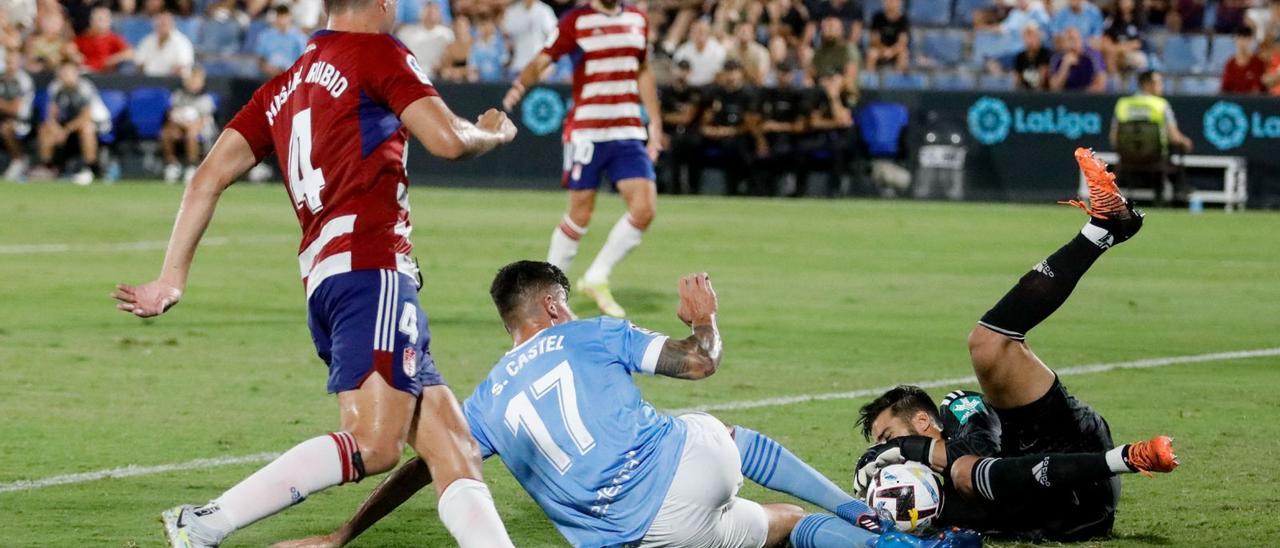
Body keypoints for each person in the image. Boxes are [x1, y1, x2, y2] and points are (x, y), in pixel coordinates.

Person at [110, 0, 520, 544]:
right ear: (380, 4)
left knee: (456, 449)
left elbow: (205, 178)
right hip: (371, 274)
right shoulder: (378, 52)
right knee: (375, 444)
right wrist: (493, 133)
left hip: (330, 283)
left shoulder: (283, 85)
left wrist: (171, 279)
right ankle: (206, 522)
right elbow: (447, 140)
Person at [273, 263, 977, 548]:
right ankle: (871, 521)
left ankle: (856, 529)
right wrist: (705, 319)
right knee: (733, 438)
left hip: (645, 540)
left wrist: (343, 535)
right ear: (554, 304)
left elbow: (425, 470)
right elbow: (700, 364)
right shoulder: (586, 332)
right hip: (684, 475)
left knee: (781, 527)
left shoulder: (480, 402)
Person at [852, 149, 1180, 542]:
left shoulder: (960, 409)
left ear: (922, 423)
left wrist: (906, 448)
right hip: (1064, 515)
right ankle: (1107, 228)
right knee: (965, 475)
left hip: (1075, 456)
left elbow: (978, 454)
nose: (889, 455)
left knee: (987, 345)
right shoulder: (928, 497)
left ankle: (1102, 230)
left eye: (888, 437)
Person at [501, 0, 664, 318]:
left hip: (627, 129)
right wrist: (521, 85)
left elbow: (642, 69)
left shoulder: (637, 20)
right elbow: (545, 58)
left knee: (644, 209)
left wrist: (655, 122)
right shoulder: (577, 21)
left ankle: (597, 276)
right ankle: (548, 294)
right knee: (580, 213)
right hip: (587, 131)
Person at [691, 60, 761, 197]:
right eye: (728, 72)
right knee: (693, 143)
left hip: (739, 134)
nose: (731, 76)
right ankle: (692, 187)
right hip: (717, 133)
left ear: (741, 74)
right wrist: (708, 129)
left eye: (734, 72)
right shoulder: (715, 92)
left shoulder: (748, 94)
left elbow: (750, 123)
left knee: (737, 148)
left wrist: (729, 131)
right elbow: (707, 118)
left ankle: (739, 187)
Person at [33, 60, 105, 185]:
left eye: (68, 72)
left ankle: (91, 167)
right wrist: (56, 129)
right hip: (68, 124)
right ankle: (48, 167)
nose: (65, 75)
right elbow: (51, 115)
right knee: (45, 128)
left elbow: (85, 117)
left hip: (97, 123)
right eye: (62, 72)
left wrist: (65, 131)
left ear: (76, 73)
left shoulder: (85, 88)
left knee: (87, 128)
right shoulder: (55, 87)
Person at [795, 68, 854, 198]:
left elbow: (843, 120)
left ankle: (834, 191)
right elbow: (814, 122)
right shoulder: (817, 98)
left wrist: (833, 98)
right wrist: (834, 122)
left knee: (839, 151)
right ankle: (800, 190)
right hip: (819, 137)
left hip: (840, 139)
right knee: (802, 148)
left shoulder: (845, 98)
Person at [160, 66, 216, 184]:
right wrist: (180, 123)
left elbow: (203, 121)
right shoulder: (178, 95)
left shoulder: (206, 99)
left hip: (201, 129)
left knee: (192, 133)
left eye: (196, 81)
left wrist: (188, 125)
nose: (193, 84)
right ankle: (172, 164)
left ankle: (192, 166)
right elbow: (171, 114)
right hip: (180, 126)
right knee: (166, 132)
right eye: (191, 81)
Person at [657, 59, 702, 194]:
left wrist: (668, 116)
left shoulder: (694, 91)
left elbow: (688, 118)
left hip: (690, 133)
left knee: (694, 146)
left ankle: (694, 189)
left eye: (685, 70)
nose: (682, 73)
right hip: (669, 132)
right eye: (679, 69)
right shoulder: (665, 91)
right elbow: (658, 115)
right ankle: (673, 189)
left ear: (690, 73)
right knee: (672, 148)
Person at [396, 1, 455, 78]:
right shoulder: (406, 33)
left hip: (438, 77)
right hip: (412, 76)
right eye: (428, 12)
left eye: (434, 12)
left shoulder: (447, 35)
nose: (430, 15)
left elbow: (450, 59)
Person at [1, 48, 34, 181]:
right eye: (8, 61)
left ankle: (18, 160)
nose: (10, 65)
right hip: (3, 116)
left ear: (19, 63)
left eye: (13, 62)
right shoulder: (2, 77)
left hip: (22, 120)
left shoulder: (23, 80)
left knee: (6, 128)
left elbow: (15, 109)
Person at [501, 0, 557, 77]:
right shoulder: (512, 11)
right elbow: (506, 36)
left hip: (539, 67)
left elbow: (554, 37)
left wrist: (548, 63)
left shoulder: (545, 10)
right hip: (518, 66)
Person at [134, 11, 195, 77]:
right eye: (159, 24)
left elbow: (183, 65)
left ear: (172, 24)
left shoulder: (182, 42)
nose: (162, 26)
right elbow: (139, 62)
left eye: (165, 23)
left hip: (172, 80)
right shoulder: (148, 40)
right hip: (149, 79)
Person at [73, 6, 132, 74]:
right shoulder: (85, 37)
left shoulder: (113, 38)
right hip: (85, 71)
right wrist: (74, 54)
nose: (98, 23)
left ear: (109, 22)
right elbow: (70, 47)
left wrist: (113, 59)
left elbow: (129, 53)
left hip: (105, 73)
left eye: (102, 20)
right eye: (95, 19)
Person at [255, 5, 309, 77]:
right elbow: (259, 59)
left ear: (290, 17)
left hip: (290, 75)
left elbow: (303, 61)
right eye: (280, 16)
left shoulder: (299, 37)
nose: (282, 20)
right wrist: (268, 68)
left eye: (284, 16)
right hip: (267, 74)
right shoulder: (265, 35)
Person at [812, 16, 860, 93]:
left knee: (837, 83)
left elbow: (850, 77)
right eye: (824, 27)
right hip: (821, 89)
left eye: (831, 27)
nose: (827, 30)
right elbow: (812, 74)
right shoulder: (820, 51)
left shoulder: (848, 48)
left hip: (844, 91)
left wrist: (832, 83)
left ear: (841, 30)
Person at [1049, 27, 1106, 92]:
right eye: (1069, 39)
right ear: (1063, 44)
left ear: (1081, 41)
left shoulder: (1092, 56)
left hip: (1087, 97)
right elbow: (1054, 87)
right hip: (1064, 98)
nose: (1073, 43)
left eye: (1075, 39)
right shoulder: (1057, 58)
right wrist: (1065, 65)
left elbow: (1101, 85)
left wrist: (1079, 96)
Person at [674, 18, 727, 86]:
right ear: (690, 34)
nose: (698, 35)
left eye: (702, 32)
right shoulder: (682, 50)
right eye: (695, 32)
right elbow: (677, 71)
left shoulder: (718, 50)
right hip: (688, 87)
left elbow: (719, 73)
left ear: (708, 33)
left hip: (711, 86)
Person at [1100, 0, 1148, 75]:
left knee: (1140, 59)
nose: (1123, 1)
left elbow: (1138, 43)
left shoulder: (1139, 19)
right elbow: (1105, 37)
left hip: (1132, 52)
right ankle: (1113, 83)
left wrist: (1117, 49)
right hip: (1115, 52)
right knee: (1108, 55)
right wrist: (1113, 49)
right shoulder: (1112, 19)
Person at [866, 0, 910, 73]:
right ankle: (871, 80)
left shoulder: (903, 20)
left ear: (899, 3)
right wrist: (884, 50)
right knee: (871, 54)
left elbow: (902, 42)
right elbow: (874, 40)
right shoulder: (877, 18)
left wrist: (891, 51)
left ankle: (897, 80)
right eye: (888, 1)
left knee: (903, 54)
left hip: (896, 51)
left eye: (894, 1)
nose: (891, 3)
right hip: (879, 50)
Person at [1221, 26, 1267, 94]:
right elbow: (1225, 88)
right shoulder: (1230, 63)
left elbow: (1260, 89)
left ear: (1251, 40)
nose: (1242, 42)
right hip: (1234, 101)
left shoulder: (1258, 63)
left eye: (1245, 38)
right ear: (1235, 40)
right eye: (1239, 38)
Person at [726, 20, 772, 86]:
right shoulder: (731, 52)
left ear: (753, 35)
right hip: (735, 88)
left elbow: (760, 78)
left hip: (755, 88)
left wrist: (742, 73)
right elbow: (726, 73)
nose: (743, 33)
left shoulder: (761, 52)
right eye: (740, 30)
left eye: (746, 31)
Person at [1013, 23, 1051, 90]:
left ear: (1039, 36)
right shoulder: (1020, 57)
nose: (1030, 40)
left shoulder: (1045, 54)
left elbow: (1042, 81)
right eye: (1027, 36)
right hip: (1025, 94)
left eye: (1033, 36)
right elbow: (1017, 82)